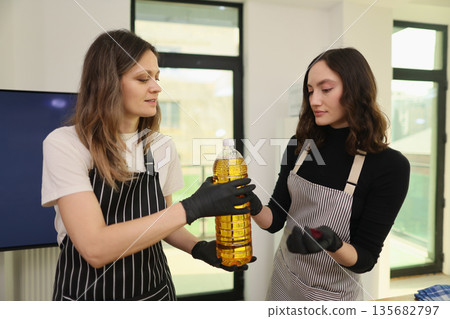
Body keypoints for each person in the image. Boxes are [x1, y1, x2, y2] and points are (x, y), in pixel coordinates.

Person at [41, 29, 255, 301]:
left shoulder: (160, 146)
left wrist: (199, 248)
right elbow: (95, 248)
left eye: (156, 77)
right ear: (107, 83)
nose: (156, 87)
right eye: (143, 78)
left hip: (154, 294)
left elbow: (164, 220)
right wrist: (193, 207)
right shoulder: (66, 144)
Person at [249, 47, 410, 301]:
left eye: (326, 89)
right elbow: (276, 220)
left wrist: (331, 244)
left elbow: (364, 259)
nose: (314, 100)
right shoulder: (300, 145)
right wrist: (252, 205)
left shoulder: (389, 166)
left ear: (356, 90)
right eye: (310, 91)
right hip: (283, 280)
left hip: (330, 297)